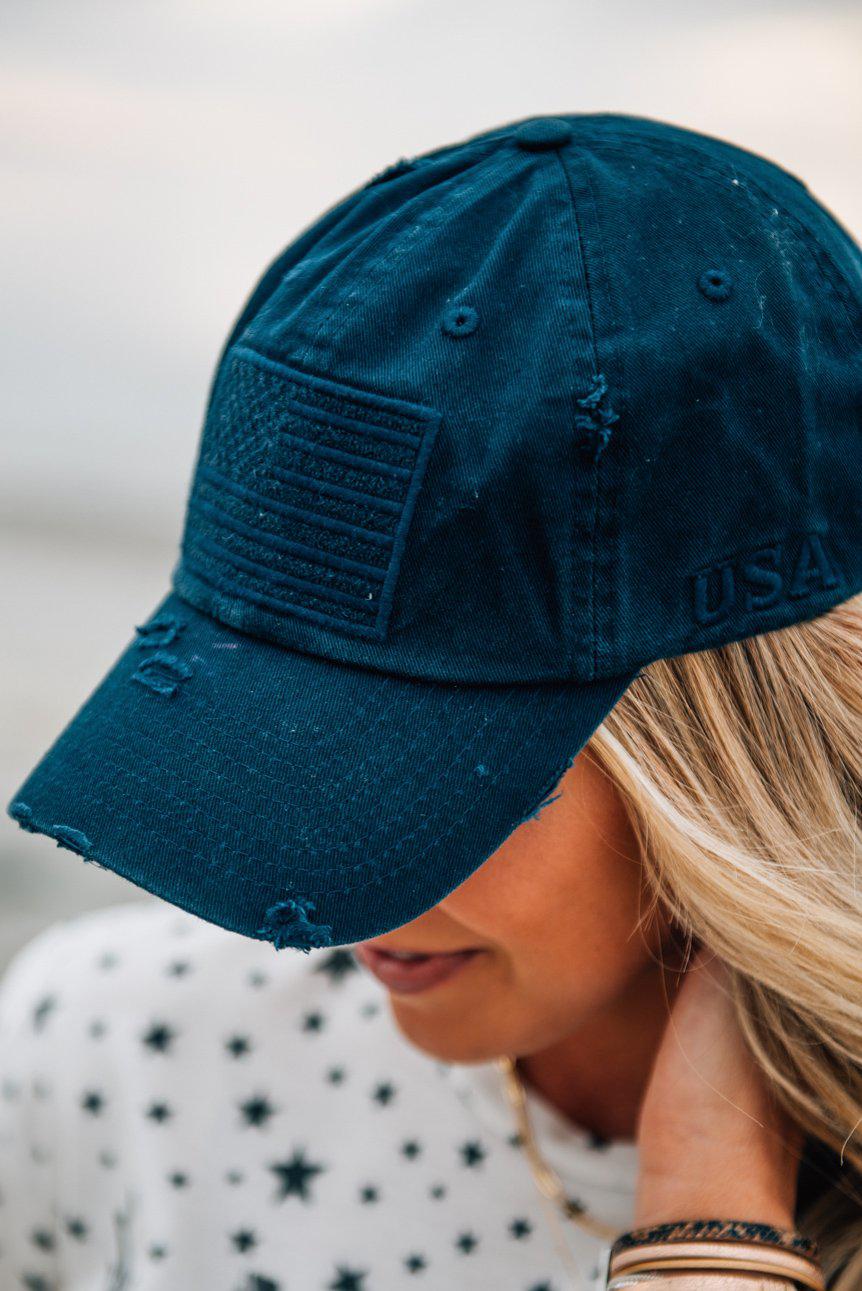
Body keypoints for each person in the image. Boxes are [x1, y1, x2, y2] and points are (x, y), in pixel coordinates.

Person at [1, 112, 860, 1291]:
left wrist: (709, 1241)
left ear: (722, 757)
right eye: (275, 727)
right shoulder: (116, 1047)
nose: (311, 872)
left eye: (424, 764)